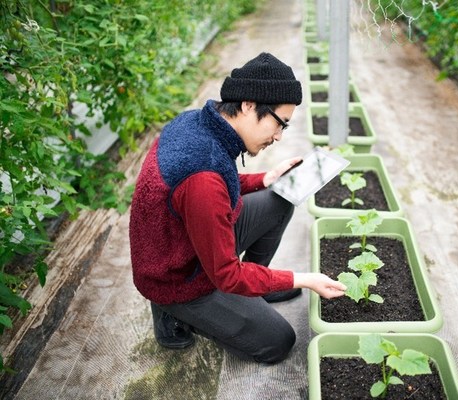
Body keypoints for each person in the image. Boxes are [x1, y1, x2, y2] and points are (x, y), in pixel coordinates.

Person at [129, 52, 346, 364]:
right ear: (247, 105)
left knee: (280, 196)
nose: (279, 136)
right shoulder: (201, 177)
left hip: (189, 243)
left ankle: (255, 287)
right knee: (278, 341)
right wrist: (303, 278)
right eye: (278, 123)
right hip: (177, 277)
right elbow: (226, 274)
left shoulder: (197, 122)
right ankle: (172, 313)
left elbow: (216, 180)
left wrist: (265, 178)